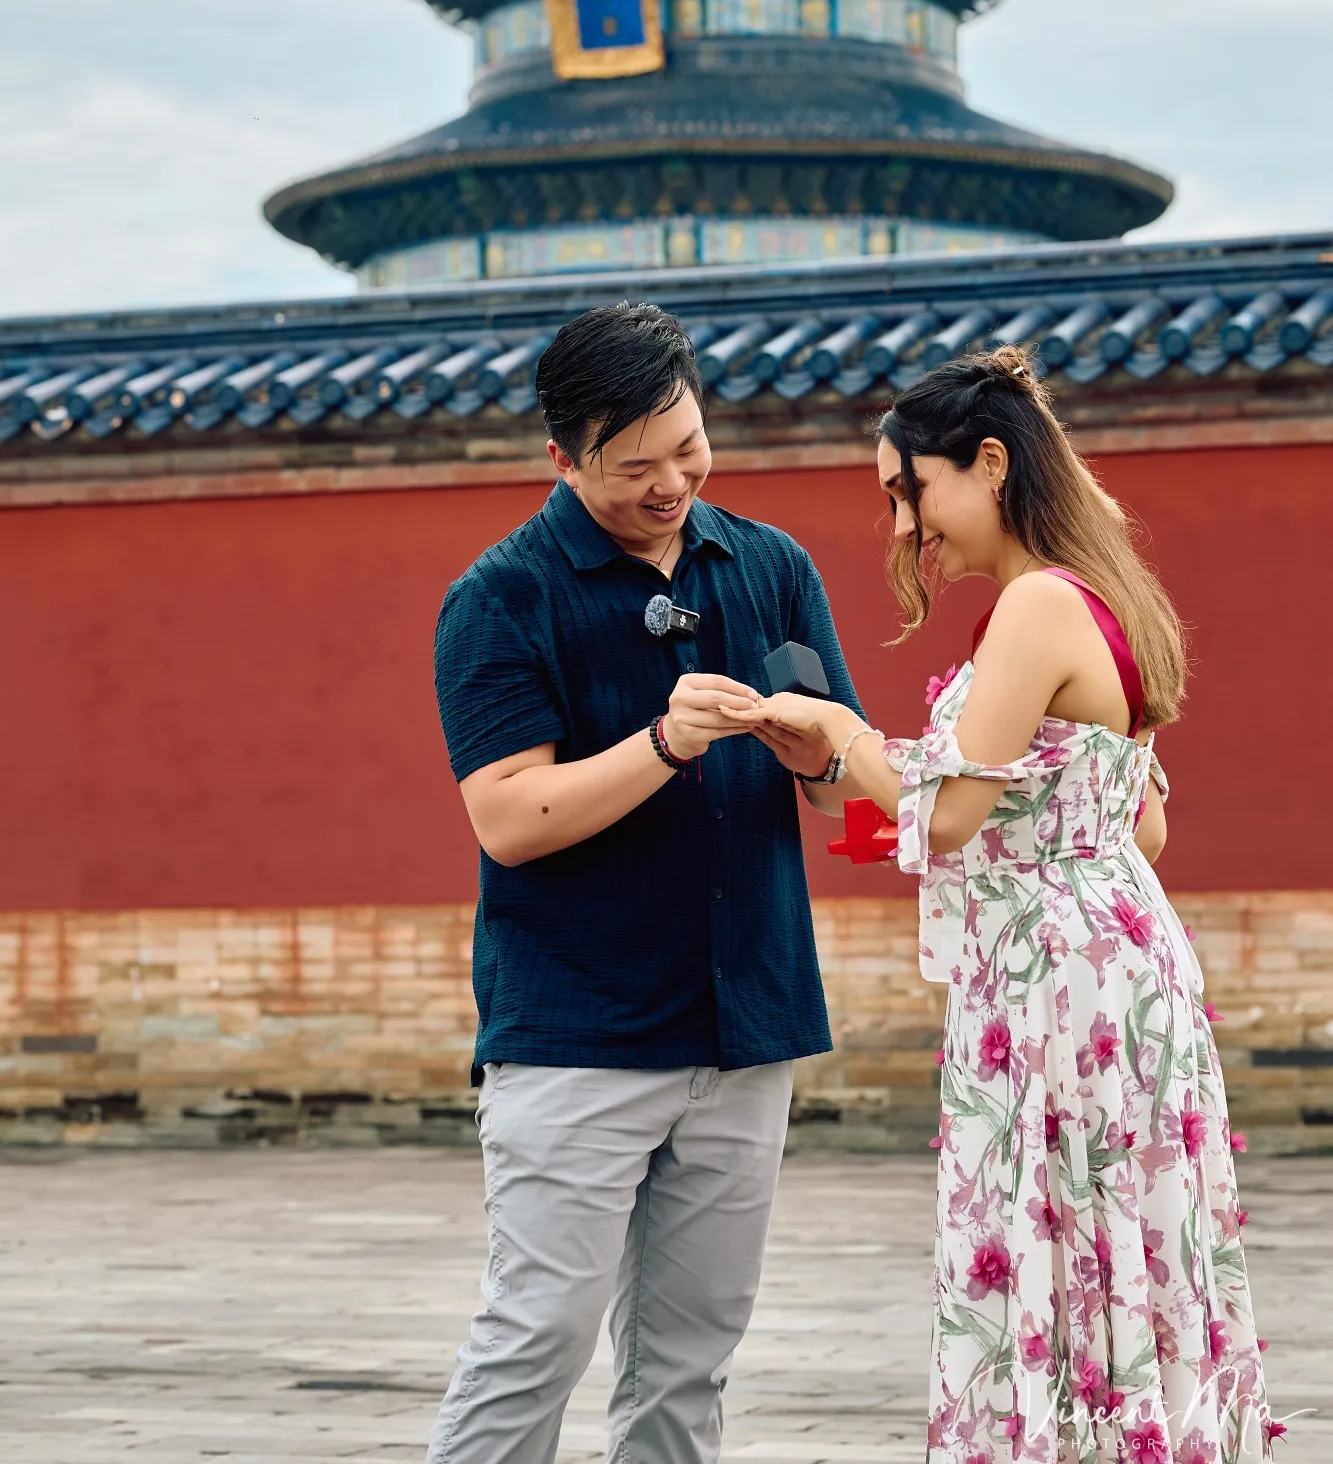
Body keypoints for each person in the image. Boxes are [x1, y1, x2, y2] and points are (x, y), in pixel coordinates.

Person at [719, 346, 1278, 1463]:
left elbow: (949, 812)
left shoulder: (1034, 604)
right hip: (1121, 959)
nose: (899, 523)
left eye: (906, 487)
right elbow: (1143, 827)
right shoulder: (1109, 596)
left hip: (1062, 986)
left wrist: (837, 732)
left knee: (1061, 1240)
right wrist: (870, 770)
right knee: (1120, 1244)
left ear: (985, 461)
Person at [425, 300, 862, 1464]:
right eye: (634, 468)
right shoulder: (500, 596)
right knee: (536, 1335)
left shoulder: (770, 569)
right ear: (562, 457)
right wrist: (664, 742)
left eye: (689, 449)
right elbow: (509, 817)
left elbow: (841, 798)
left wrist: (809, 739)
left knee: (689, 1356)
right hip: (576, 1031)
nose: (672, 483)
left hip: (746, 1023)